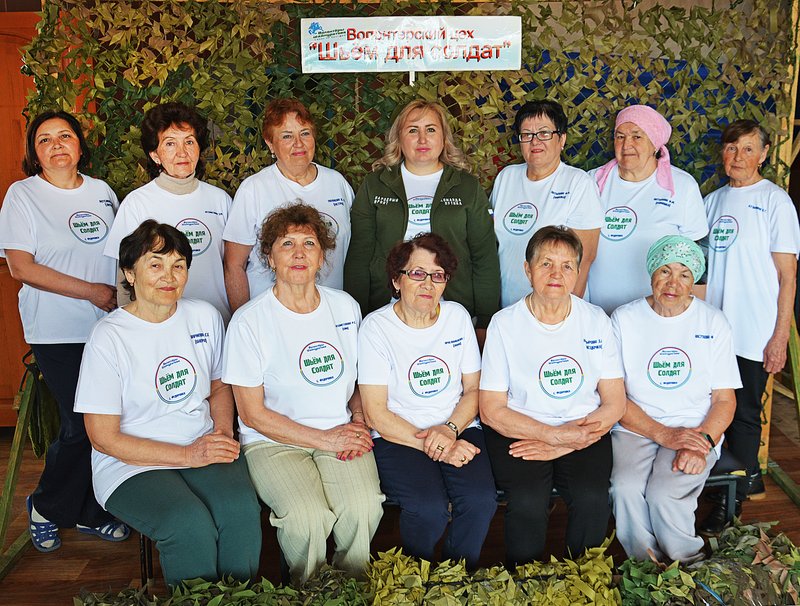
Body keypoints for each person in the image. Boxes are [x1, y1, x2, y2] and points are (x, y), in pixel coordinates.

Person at [76, 221, 261, 590]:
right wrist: (188, 455)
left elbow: (218, 387)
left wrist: (222, 432)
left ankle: (241, 598)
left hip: (200, 442)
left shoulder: (204, 316)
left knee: (240, 511)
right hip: (129, 462)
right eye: (155, 264)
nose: (169, 275)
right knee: (187, 523)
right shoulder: (108, 337)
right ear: (130, 273)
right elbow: (103, 438)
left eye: (178, 265)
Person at [222, 203, 383, 584]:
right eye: (286, 244)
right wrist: (325, 439)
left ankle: (349, 590)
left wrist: (359, 420)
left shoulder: (345, 308)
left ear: (322, 257)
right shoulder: (249, 321)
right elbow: (251, 414)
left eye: (309, 243)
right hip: (272, 442)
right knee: (306, 518)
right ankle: (307, 591)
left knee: (363, 507)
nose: (298, 253)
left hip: (340, 430)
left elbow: (359, 382)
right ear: (270, 257)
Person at [0, 110, 129, 552]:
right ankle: (46, 506)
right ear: (34, 152)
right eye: (44, 139)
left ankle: (92, 512)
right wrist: (91, 292)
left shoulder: (102, 192)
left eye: (65, 136)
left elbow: (118, 256)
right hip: (56, 330)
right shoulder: (22, 195)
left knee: (111, 422)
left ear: (79, 144)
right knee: (79, 424)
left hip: (108, 328)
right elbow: (21, 267)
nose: (56, 145)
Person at [479, 225, 625, 566]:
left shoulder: (596, 321)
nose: (556, 274)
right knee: (528, 499)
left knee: (592, 498)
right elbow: (491, 410)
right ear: (528, 270)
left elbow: (615, 402)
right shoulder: (504, 324)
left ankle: (583, 580)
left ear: (577, 272)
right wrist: (552, 435)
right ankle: (525, 581)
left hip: (584, 428)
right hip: (518, 429)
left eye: (567, 265)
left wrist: (567, 441)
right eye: (546, 263)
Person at [358, 233, 497, 570]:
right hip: (397, 435)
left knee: (480, 501)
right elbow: (375, 413)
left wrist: (449, 431)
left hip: (457, 427)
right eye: (417, 273)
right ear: (396, 280)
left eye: (438, 275)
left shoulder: (457, 317)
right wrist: (439, 447)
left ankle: (454, 579)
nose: (428, 284)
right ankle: (415, 579)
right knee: (427, 508)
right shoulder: (376, 328)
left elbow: (474, 389)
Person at [610, 236, 740, 563]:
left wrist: (703, 442)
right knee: (624, 487)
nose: (673, 283)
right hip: (636, 426)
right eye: (665, 271)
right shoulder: (624, 319)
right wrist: (661, 433)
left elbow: (724, 399)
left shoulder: (713, 321)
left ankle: (688, 564)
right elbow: (614, 395)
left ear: (694, 280)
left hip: (696, 428)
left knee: (664, 494)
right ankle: (646, 567)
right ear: (651, 273)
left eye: (684, 275)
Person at [699, 119, 800, 534]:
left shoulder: (775, 201)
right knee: (708, 408)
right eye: (730, 148)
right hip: (711, 332)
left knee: (743, 413)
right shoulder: (712, 201)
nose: (737, 157)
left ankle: (732, 502)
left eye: (747, 149)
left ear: (763, 154)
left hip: (753, 332)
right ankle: (716, 482)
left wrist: (779, 336)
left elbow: (788, 277)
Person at [343, 99, 500, 343]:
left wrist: (485, 320)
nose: (422, 139)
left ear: (444, 138)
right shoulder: (376, 185)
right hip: (387, 308)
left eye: (431, 129)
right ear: (399, 137)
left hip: (452, 308)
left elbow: (484, 256)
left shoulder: (466, 186)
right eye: (413, 130)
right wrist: (357, 315)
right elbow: (359, 256)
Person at [104, 102, 232, 323]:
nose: (182, 152)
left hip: (217, 320)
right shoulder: (137, 203)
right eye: (170, 143)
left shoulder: (220, 200)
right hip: (159, 323)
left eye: (189, 142)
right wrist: (131, 325)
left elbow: (233, 266)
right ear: (155, 154)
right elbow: (124, 277)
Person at [223, 98, 353, 313]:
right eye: (286, 136)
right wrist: (244, 318)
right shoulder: (254, 189)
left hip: (329, 311)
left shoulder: (337, 183)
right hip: (270, 312)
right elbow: (234, 265)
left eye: (305, 133)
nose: (298, 143)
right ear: (270, 143)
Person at [586, 105, 709, 314]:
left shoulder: (682, 186)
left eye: (637, 137)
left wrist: (690, 315)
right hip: (597, 313)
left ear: (655, 143)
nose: (627, 145)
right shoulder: (593, 181)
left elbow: (696, 260)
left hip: (658, 314)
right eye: (620, 136)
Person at [491, 99, 603, 306]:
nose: (535, 142)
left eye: (544, 133)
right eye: (527, 135)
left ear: (561, 139)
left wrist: (561, 312)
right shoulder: (506, 177)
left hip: (556, 308)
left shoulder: (577, 183)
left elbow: (585, 258)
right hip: (510, 305)